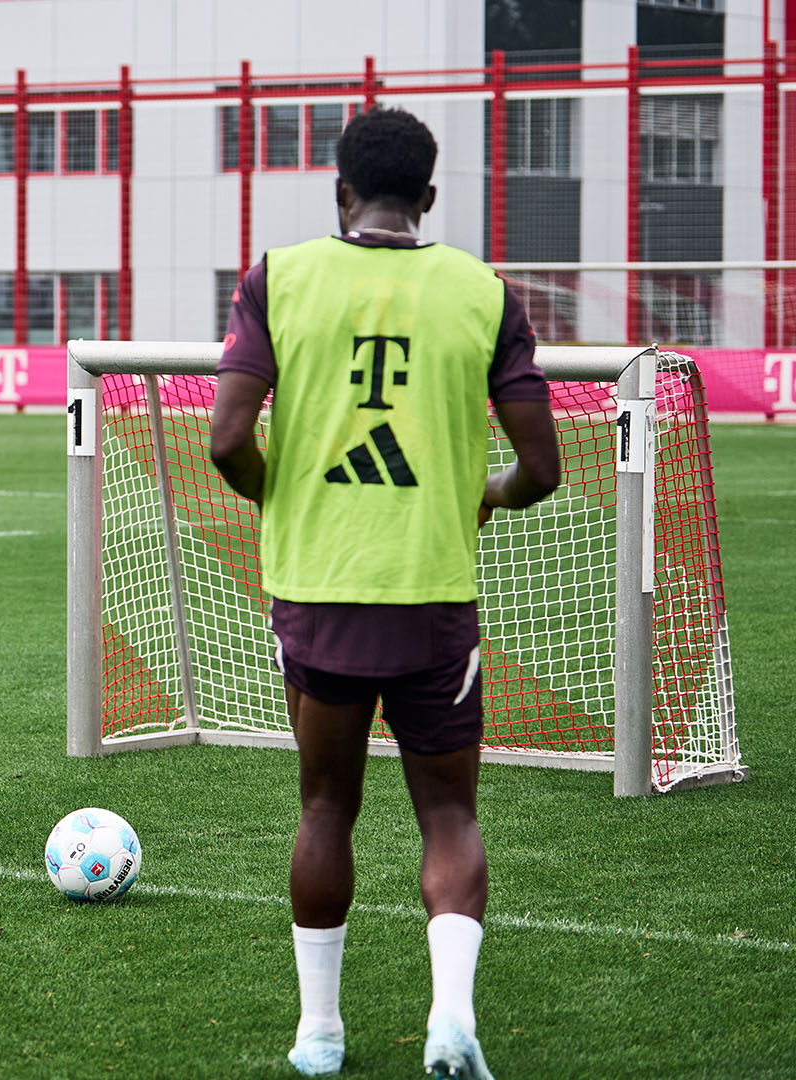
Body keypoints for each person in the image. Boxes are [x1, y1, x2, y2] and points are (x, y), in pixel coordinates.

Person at [210, 108, 561, 1080]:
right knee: (448, 813)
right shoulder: (482, 292)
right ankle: (451, 1018)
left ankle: (318, 1034)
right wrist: (486, 496)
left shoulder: (278, 277)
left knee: (326, 806)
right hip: (431, 593)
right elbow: (543, 464)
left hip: (319, 589)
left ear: (340, 192)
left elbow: (228, 439)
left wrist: (279, 497)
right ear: (432, 199)